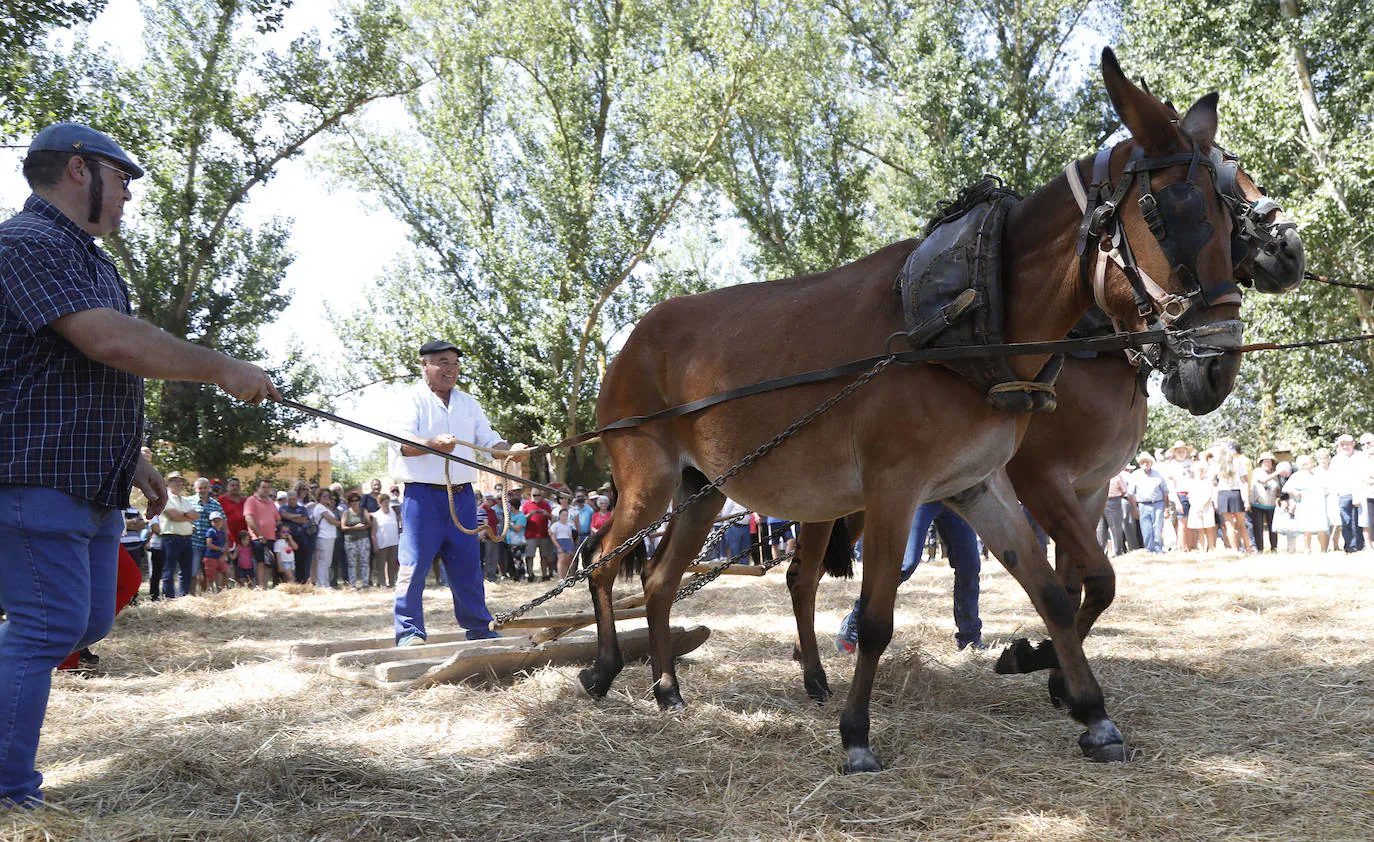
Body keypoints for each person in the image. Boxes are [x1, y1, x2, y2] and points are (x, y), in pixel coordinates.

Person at [0, 121, 277, 807]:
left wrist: (135, 459)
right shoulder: (24, 242)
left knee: (85, 622)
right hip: (36, 474)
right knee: (44, 628)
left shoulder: (85, 256)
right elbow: (108, 341)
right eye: (121, 179)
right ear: (77, 171)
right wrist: (220, 368)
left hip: (89, 478)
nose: (127, 195)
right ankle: (9, 792)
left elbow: (77, 371)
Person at [389, 339, 529, 645]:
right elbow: (402, 445)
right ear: (424, 365)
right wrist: (434, 444)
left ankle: (479, 628)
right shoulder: (409, 400)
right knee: (412, 567)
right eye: (442, 362)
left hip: (463, 495)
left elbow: (490, 441)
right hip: (421, 496)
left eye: (454, 363)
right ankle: (409, 632)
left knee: (467, 566)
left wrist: (510, 451)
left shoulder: (468, 403)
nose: (450, 369)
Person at [836, 502, 984, 654]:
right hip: (925, 496)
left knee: (970, 566)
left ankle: (970, 638)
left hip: (956, 495)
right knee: (905, 564)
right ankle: (856, 618)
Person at [159, 472, 198, 597]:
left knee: (186, 570)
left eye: (180, 480)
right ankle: (169, 598)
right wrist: (187, 516)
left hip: (187, 538)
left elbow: (196, 516)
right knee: (169, 571)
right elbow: (173, 516)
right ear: (168, 482)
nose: (178, 483)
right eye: (174, 480)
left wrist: (182, 515)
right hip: (171, 538)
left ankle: (183, 597)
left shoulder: (185, 500)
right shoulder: (165, 497)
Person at [1286, 455, 1330, 553]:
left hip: (1319, 504)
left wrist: (1326, 491)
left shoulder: (1317, 474)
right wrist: (1295, 493)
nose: (1312, 464)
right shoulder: (1296, 476)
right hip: (1305, 504)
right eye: (1310, 462)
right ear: (1303, 465)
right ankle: (1307, 548)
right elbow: (1287, 488)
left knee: (1321, 527)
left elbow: (1326, 487)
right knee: (1307, 528)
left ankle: (1323, 550)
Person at [1127, 452, 1169, 553]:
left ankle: (1158, 549)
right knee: (1146, 529)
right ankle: (1150, 550)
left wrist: (1166, 508)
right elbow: (1130, 493)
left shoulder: (1158, 474)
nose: (1145, 464)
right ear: (1139, 463)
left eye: (1147, 462)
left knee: (1157, 528)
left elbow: (1165, 492)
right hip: (1143, 504)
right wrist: (1134, 509)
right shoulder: (1135, 475)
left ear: (1151, 462)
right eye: (1142, 462)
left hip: (1158, 503)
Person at [1213, 444, 1251, 552]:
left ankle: (1235, 549)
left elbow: (1214, 483)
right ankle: (1248, 547)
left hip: (1223, 494)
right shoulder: (1238, 462)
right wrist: (1247, 500)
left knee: (1229, 525)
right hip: (1236, 492)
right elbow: (1245, 481)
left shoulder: (1217, 465)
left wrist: (1215, 501)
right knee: (1241, 524)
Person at [243, 479, 281, 589]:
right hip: (258, 538)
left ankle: (264, 586)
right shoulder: (251, 500)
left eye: (268, 487)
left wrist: (277, 527)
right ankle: (260, 587)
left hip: (271, 537)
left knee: (268, 563)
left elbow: (277, 519)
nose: (266, 490)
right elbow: (249, 518)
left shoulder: (271, 503)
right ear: (258, 488)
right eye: (264, 487)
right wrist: (259, 534)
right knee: (260, 562)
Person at [189, 477, 224, 592]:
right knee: (192, 571)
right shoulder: (189, 502)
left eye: (205, 488)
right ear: (195, 489)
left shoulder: (215, 504)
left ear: (209, 488)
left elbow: (223, 521)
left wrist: (226, 540)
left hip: (211, 545)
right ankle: (191, 595)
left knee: (207, 572)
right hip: (194, 542)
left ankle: (203, 595)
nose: (203, 490)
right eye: (200, 488)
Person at [521, 489, 556, 581]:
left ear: (541, 495)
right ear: (531, 495)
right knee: (530, 556)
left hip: (544, 534)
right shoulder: (526, 505)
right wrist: (529, 514)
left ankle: (544, 575)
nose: (536, 497)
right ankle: (530, 574)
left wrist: (546, 514)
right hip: (530, 534)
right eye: (534, 495)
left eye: (538, 495)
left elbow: (552, 517)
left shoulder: (546, 504)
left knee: (544, 556)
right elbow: (521, 519)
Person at [309, 489, 341, 588]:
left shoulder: (325, 508)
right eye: (324, 495)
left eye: (328, 496)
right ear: (319, 497)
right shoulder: (319, 507)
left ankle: (325, 583)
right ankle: (322, 584)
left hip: (329, 537)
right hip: (324, 537)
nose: (327, 498)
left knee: (326, 562)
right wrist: (343, 523)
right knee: (324, 561)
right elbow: (332, 521)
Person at [1250, 452, 1281, 553]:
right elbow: (1263, 480)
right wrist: (1277, 473)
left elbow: (1278, 489)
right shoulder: (1257, 471)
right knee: (1258, 528)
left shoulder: (1275, 474)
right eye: (1265, 462)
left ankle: (1274, 547)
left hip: (1271, 505)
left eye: (1269, 462)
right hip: (1258, 504)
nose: (1267, 464)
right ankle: (1259, 548)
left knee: (1273, 527)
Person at [340, 491, 372, 587]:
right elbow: (343, 527)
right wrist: (355, 527)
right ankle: (353, 583)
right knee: (351, 563)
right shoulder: (346, 513)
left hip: (363, 539)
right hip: (350, 540)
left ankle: (365, 583)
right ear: (349, 502)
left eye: (357, 500)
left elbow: (369, 523)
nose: (355, 502)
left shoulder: (363, 511)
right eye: (352, 501)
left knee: (365, 562)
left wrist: (364, 527)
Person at [372, 493, 401, 588]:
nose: (386, 504)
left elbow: (397, 527)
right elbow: (373, 532)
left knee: (392, 565)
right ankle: (382, 583)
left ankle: (392, 583)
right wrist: (375, 545)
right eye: (384, 503)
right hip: (382, 544)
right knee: (380, 565)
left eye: (388, 502)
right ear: (380, 504)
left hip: (393, 543)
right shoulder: (376, 515)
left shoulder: (393, 513)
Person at [217, 478, 248, 553]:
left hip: (243, 537)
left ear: (240, 488)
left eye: (237, 485)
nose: (235, 487)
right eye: (232, 485)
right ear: (227, 487)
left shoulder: (246, 501)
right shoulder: (220, 500)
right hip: (228, 537)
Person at [202, 513, 229, 592]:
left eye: (219, 521)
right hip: (210, 557)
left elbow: (225, 544)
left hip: (219, 557)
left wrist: (223, 553)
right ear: (211, 522)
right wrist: (221, 549)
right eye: (215, 521)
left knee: (227, 572)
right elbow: (209, 544)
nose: (217, 523)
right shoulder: (210, 531)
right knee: (210, 578)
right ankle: (210, 593)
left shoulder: (222, 533)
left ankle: (220, 591)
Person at [551, 508, 576, 579]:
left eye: (566, 515)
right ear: (559, 515)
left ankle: (564, 576)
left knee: (566, 561)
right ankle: (560, 578)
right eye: (563, 515)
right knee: (561, 561)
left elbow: (570, 536)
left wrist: (572, 545)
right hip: (560, 542)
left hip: (568, 542)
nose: (564, 517)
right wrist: (558, 546)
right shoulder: (555, 525)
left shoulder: (568, 525)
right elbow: (553, 537)